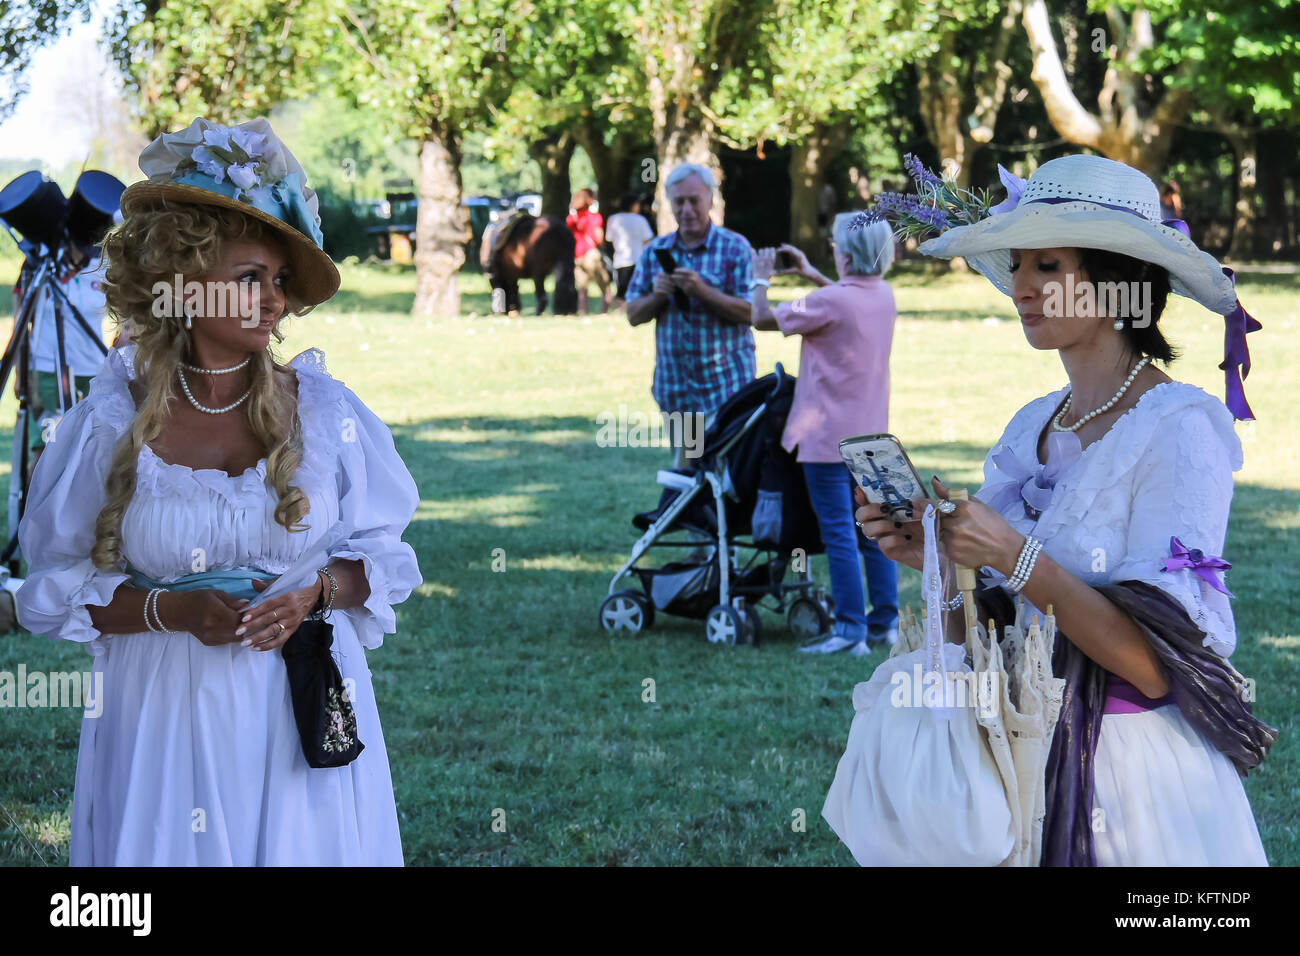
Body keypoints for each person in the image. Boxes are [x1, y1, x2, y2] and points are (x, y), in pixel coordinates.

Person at [15, 117, 422, 866]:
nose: (272, 301)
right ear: (182, 282)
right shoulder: (106, 423)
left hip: (298, 711)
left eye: (278, 282)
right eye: (248, 279)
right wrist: (172, 610)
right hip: (159, 712)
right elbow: (56, 587)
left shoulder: (328, 413)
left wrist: (314, 594)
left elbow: (385, 561)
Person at [855, 154, 1271, 865]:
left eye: (1048, 265)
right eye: (1018, 264)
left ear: (1115, 283)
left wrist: (1016, 559)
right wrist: (935, 556)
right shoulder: (1033, 426)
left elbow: (1156, 667)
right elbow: (977, 637)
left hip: (1129, 786)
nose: (1020, 287)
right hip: (1016, 762)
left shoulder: (1180, 428)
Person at [751, 217, 900, 652]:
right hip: (873, 438)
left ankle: (849, 630)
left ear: (847, 254)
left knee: (839, 534)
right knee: (876, 534)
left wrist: (760, 277)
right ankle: (884, 623)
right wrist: (810, 276)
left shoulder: (830, 301)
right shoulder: (883, 296)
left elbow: (762, 317)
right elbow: (842, 297)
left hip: (826, 441)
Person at [623, 163, 755, 466]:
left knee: (729, 475)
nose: (687, 209)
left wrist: (703, 292)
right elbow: (633, 314)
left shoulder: (734, 248)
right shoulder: (657, 251)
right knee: (688, 475)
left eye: (694, 200)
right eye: (679, 201)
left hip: (726, 388)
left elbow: (751, 313)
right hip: (678, 391)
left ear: (710, 200)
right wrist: (658, 296)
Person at [13, 240, 110, 476]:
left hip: (93, 373)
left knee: (90, 454)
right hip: (47, 372)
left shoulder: (107, 263)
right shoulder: (39, 260)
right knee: (47, 451)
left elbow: (129, 313)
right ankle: (31, 509)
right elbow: (20, 319)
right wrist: (19, 371)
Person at [567, 187, 611, 314]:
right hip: (591, 254)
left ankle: (583, 313)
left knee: (582, 289)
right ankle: (604, 313)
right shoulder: (595, 217)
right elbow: (599, 238)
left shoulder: (571, 219)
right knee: (605, 287)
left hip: (577, 256)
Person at [607, 191, 654, 308]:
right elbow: (647, 240)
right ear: (633, 205)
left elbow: (609, 238)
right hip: (639, 259)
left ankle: (622, 310)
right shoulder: (640, 219)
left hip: (620, 259)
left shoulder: (613, 219)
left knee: (621, 290)